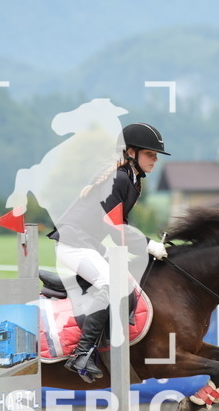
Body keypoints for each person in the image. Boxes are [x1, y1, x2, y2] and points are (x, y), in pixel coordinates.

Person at [48, 122, 170, 381]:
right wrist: (147, 244)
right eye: (150, 154)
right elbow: (113, 225)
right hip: (74, 244)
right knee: (113, 285)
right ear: (130, 152)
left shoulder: (132, 180)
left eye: (156, 155)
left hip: (88, 244)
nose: (155, 160)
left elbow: (117, 226)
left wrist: (140, 247)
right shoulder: (121, 178)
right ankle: (82, 354)